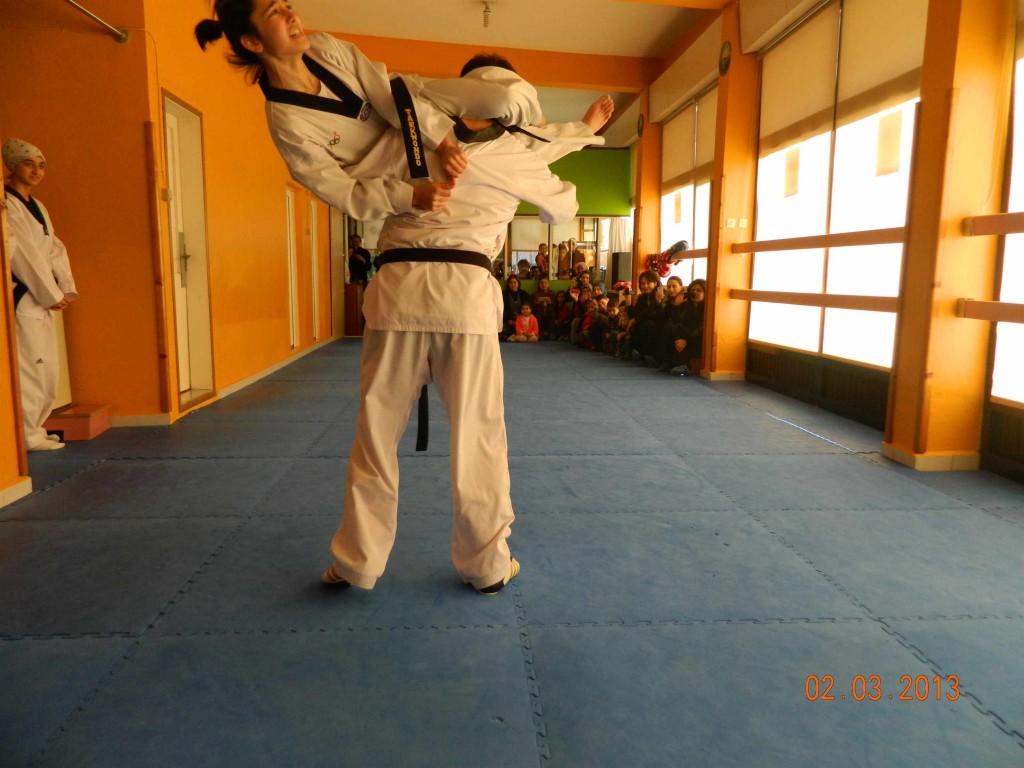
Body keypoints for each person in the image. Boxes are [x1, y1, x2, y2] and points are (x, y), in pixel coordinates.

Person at [195, 0, 613, 221]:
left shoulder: (322, 47)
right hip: (391, 159)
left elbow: (384, 89)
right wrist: (409, 196)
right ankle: (577, 133)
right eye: (275, 11)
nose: (292, 14)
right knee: (497, 154)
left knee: (507, 100)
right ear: (252, 42)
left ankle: (536, 123)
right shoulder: (288, 123)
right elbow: (341, 191)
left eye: (287, 3)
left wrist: (443, 139)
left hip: (411, 103)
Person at [3, 139, 79, 452]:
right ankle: (26, 435)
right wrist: (50, 292)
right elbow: (24, 255)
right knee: (30, 367)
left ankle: (37, 427)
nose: (36, 171)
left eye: (41, 165)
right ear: (12, 166)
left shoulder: (38, 206)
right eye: (28, 164)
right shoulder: (7, 204)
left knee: (47, 368)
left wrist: (65, 288)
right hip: (25, 295)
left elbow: (54, 248)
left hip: (42, 298)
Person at [500, 274, 531, 339]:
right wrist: (508, 319)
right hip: (508, 320)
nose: (513, 284)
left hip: (522, 319)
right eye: (511, 283)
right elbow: (501, 308)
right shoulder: (503, 294)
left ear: (518, 284)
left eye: (515, 282)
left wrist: (520, 317)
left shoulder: (524, 294)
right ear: (508, 284)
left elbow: (528, 307)